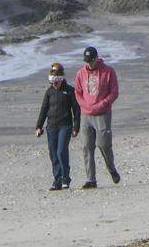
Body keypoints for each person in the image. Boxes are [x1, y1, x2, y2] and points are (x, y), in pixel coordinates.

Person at [74, 46, 120, 189]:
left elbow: (114, 92)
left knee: (103, 144)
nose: (89, 64)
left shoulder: (108, 72)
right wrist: (84, 106)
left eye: (91, 61)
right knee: (87, 146)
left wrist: (102, 104)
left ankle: (111, 168)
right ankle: (90, 179)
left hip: (102, 114)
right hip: (86, 114)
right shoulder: (81, 73)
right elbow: (78, 92)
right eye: (87, 61)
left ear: (96, 58)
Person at [34, 62, 80, 191]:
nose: (54, 84)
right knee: (53, 154)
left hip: (65, 126)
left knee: (61, 151)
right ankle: (57, 180)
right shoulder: (49, 92)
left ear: (61, 78)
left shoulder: (70, 91)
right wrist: (38, 126)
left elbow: (76, 110)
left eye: (56, 81)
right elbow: (43, 110)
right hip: (51, 127)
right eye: (52, 82)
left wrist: (76, 127)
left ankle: (66, 177)